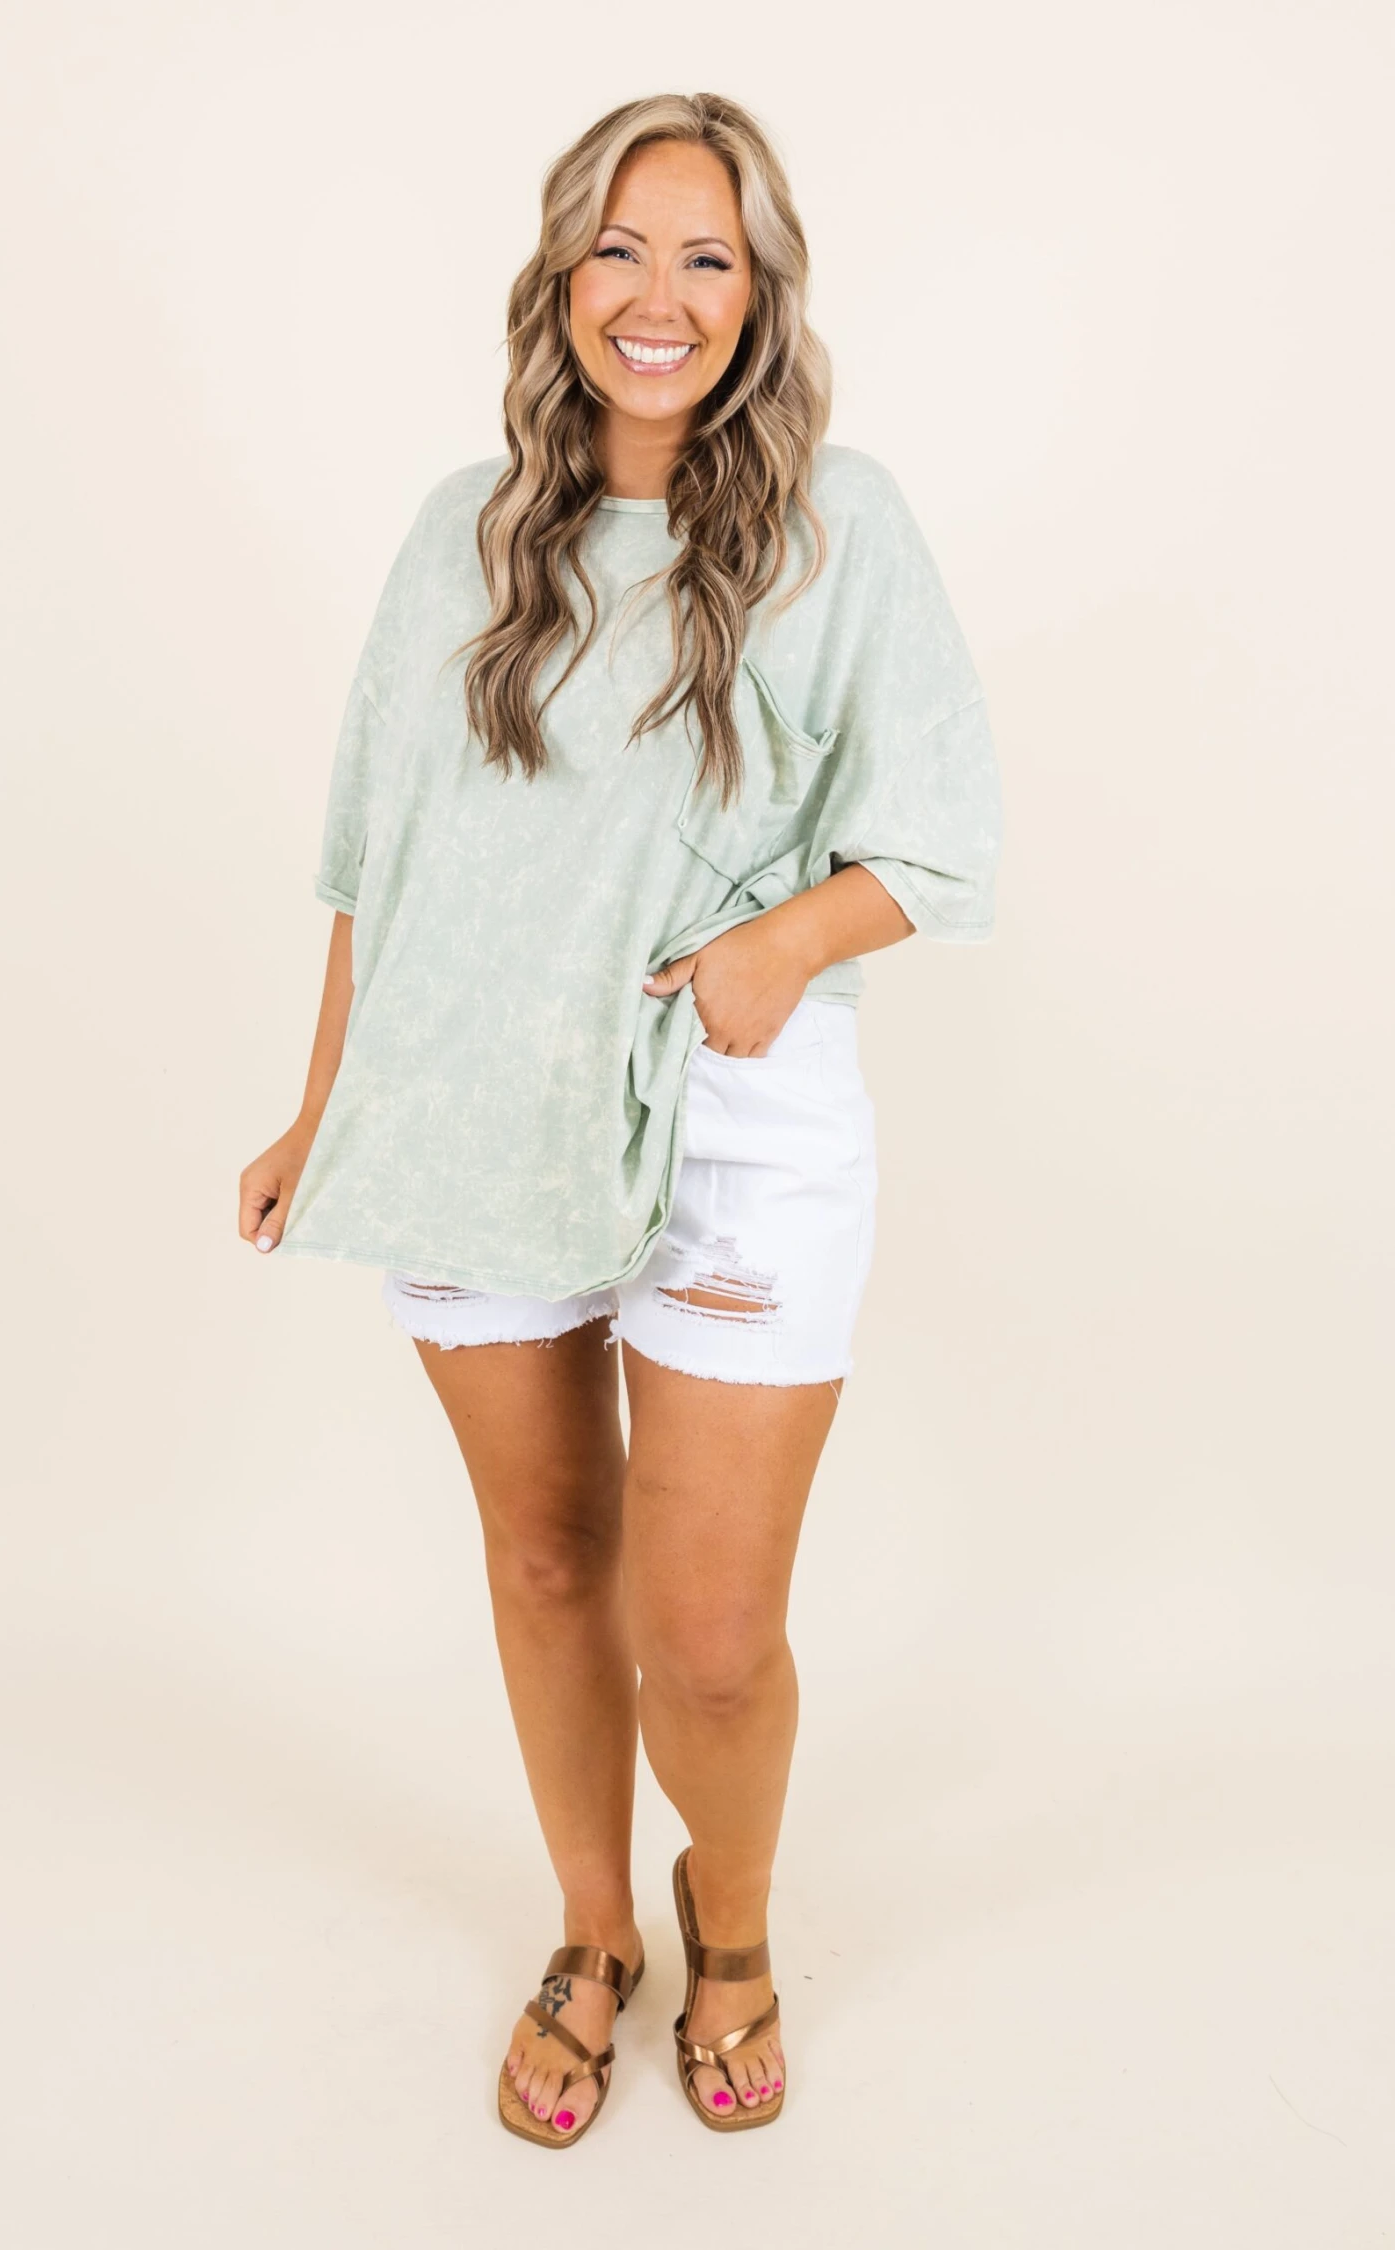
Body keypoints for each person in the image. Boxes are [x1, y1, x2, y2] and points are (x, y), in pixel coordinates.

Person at [238, 90, 1001, 2145]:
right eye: (621, 249)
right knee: (552, 1558)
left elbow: (940, 838)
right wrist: (322, 1112)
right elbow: (374, 858)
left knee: (713, 1637)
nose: (658, 297)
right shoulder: (464, 532)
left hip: (737, 1113)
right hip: (468, 1089)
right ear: (562, 277)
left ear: (760, 297)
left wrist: (781, 947)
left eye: (707, 258)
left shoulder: (842, 525)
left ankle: (726, 1921)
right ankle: (594, 1929)